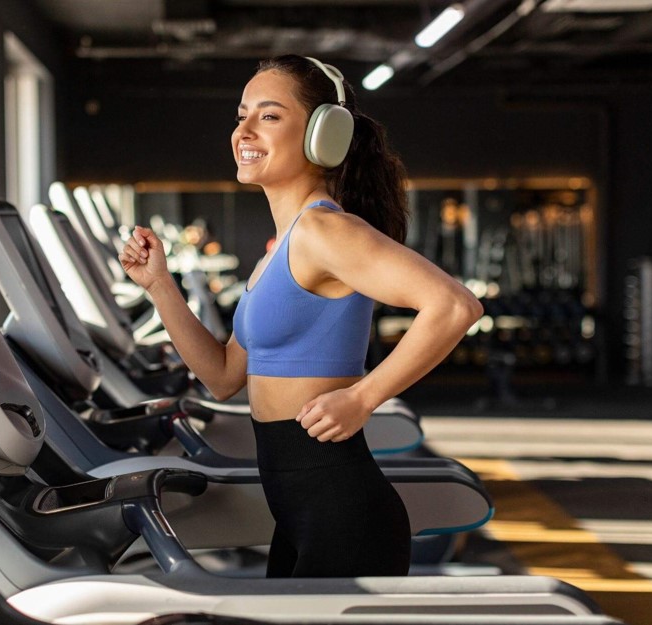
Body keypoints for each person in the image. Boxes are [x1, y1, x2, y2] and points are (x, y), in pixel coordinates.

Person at [118, 54, 483, 578]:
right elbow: (223, 378)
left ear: (322, 135)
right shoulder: (280, 250)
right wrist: (160, 286)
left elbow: (455, 306)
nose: (243, 130)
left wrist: (362, 399)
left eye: (268, 116)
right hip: (299, 511)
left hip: (342, 511)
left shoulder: (324, 232)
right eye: (241, 115)